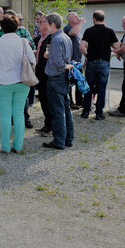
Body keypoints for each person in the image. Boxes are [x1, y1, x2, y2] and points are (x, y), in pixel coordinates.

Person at [0, 16, 35, 154]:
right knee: (19, 114)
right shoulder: (23, 42)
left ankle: (5, 146)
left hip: (2, 82)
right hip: (22, 81)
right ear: (17, 26)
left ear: (1, 28)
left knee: (5, 115)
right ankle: (18, 146)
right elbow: (33, 60)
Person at [0, 10, 36, 128]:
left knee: (19, 105)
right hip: (7, 74)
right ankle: (14, 128)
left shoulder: (23, 31)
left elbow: (32, 47)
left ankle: (25, 119)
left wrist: (26, 44)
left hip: (19, 73)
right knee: (11, 109)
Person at [79, 10, 119, 120]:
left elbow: (81, 47)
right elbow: (116, 46)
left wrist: (86, 55)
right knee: (101, 88)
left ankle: (85, 111)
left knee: (89, 87)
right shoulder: (110, 31)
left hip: (91, 62)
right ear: (103, 19)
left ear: (94, 19)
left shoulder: (88, 31)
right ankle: (99, 113)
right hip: (104, 63)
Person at [43, 13, 74, 150]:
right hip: (63, 77)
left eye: (46, 23)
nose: (45, 26)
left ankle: (59, 141)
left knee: (57, 111)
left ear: (52, 24)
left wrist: (63, 65)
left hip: (56, 77)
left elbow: (59, 61)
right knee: (65, 109)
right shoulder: (66, 37)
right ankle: (68, 139)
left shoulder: (56, 39)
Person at [33, 13, 54, 136]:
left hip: (47, 75)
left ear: (47, 24)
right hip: (40, 73)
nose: (38, 24)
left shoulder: (51, 38)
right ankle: (47, 125)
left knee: (48, 101)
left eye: (40, 22)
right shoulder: (41, 37)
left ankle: (51, 128)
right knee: (43, 100)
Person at [63, 12, 85, 109]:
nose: (77, 17)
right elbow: (73, 32)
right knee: (70, 83)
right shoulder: (67, 28)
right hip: (70, 61)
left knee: (79, 82)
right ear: (70, 19)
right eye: (75, 16)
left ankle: (80, 101)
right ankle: (70, 102)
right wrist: (80, 22)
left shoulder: (78, 30)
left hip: (78, 60)